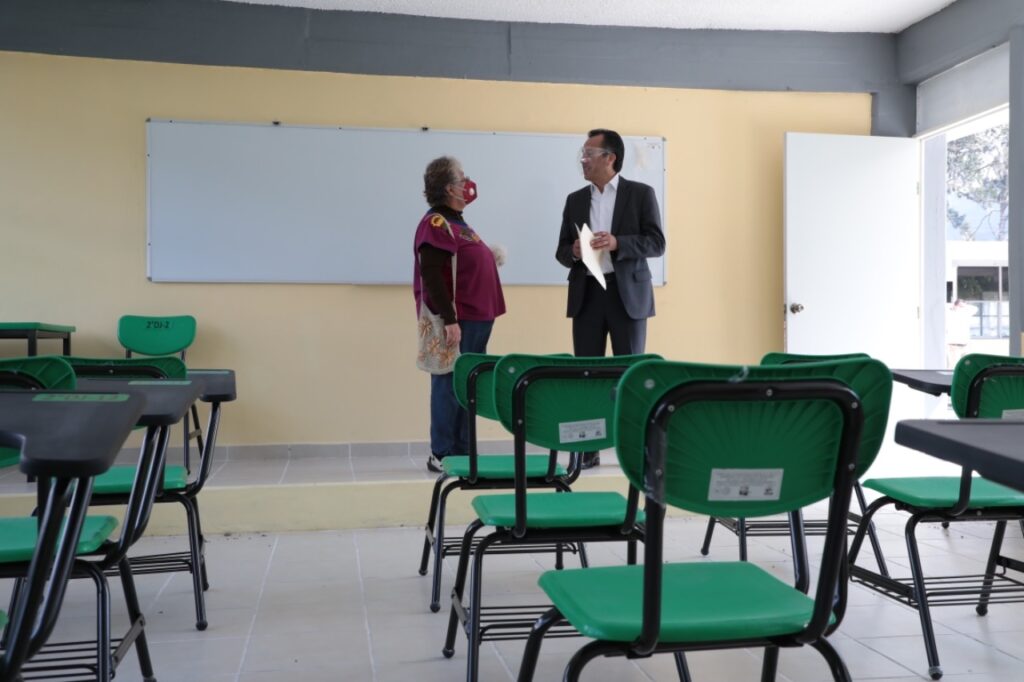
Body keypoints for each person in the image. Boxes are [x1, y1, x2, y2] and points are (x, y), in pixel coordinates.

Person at [556, 128, 665, 467]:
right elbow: (561, 251)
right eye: (583, 154)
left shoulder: (641, 194)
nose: (583, 160)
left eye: (589, 154)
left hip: (626, 293)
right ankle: (587, 451)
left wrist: (618, 243)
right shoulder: (575, 200)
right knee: (586, 376)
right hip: (587, 293)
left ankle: (633, 449)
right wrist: (574, 252)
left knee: (629, 375)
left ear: (610, 158)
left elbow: (656, 243)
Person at [413, 156, 506, 473]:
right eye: (462, 177)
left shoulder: (458, 222)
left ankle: (464, 450)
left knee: (468, 384)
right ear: (449, 187)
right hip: (459, 318)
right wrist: (449, 319)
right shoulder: (436, 223)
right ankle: (442, 451)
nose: (468, 182)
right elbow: (431, 274)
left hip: (477, 316)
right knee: (448, 382)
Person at [946, 298, 977, 368]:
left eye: (962, 307)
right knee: (953, 365)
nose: (962, 308)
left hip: (964, 344)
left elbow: (975, 309)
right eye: (960, 306)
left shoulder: (965, 314)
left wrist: (964, 306)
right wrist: (953, 306)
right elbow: (945, 306)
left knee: (965, 364)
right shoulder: (950, 314)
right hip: (953, 344)